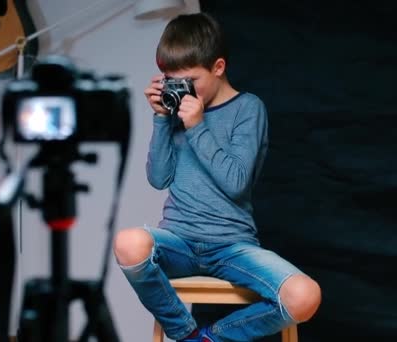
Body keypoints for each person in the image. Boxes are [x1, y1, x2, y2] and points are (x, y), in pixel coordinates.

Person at [113, 12, 321, 342]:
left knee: (305, 296)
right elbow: (158, 178)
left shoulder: (248, 108)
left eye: (190, 81)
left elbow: (236, 182)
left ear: (218, 67)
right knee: (127, 242)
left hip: (232, 247)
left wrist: (197, 127)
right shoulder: (177, 111)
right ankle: (186, 334)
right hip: (179, 240)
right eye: (172, 81)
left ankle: (211, 338)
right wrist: (161, 120)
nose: (182, 90)